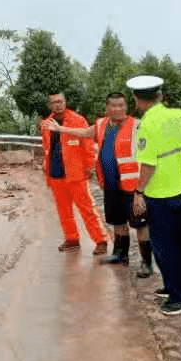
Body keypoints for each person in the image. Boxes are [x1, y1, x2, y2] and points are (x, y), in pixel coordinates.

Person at [43, 92, 153, 277]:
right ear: (107, 108)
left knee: (140, 225)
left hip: (132, 186)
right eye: (113, 106)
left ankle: (146, 264)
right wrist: (60, 129)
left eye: (121, 105)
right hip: (111, 185)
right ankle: (120, 254)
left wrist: (141, 191)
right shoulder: (102, 124)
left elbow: (149, 157)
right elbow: (85, 133)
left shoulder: (137, 126)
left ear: (126, 107)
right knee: (118, 221)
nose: (117, 109)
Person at [127, 75, 181, 316]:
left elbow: (148, 166)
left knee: (164, 247)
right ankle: (173, 287)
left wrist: (139, 192)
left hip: (159, 195)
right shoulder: (176, 116)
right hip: (178, 190)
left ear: (136, 100)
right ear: (159, 96)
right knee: (176, 245)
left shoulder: (147, 124)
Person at [41, 92, 108, 255]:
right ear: (50, 105)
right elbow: (46, 147)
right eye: (54, 102)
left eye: (61, 101)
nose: (58, 105)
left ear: (65, 102)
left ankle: (100, 241)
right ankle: (72, 239)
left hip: (75, 174)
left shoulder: (78, 120)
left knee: (86, 209)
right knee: (63, 211)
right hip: (56, 174)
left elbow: (88, 145)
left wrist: (89, 166)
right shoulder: (46, 123)